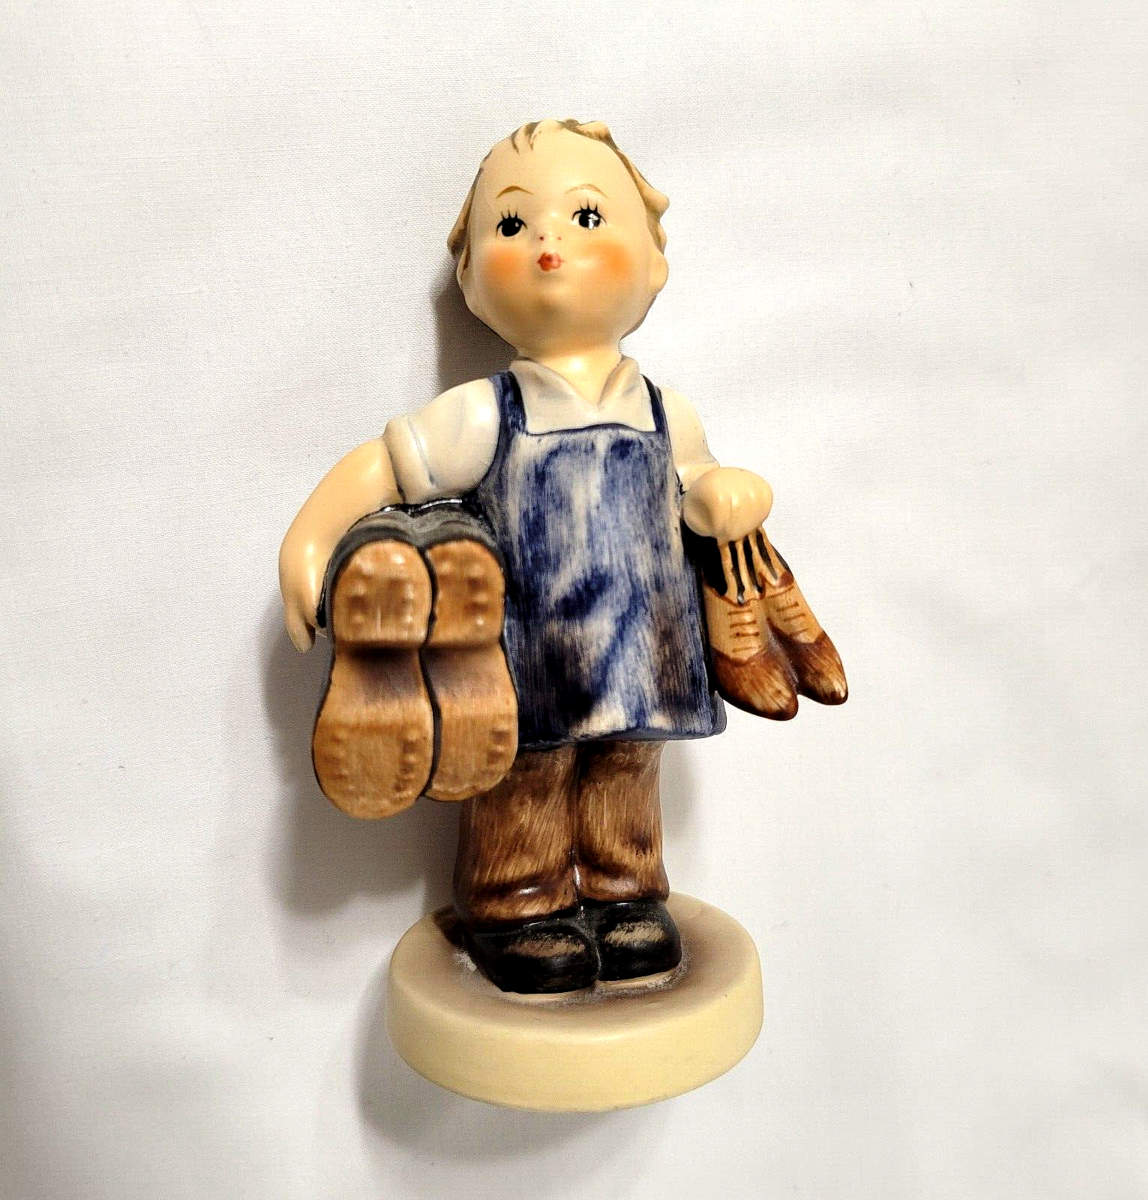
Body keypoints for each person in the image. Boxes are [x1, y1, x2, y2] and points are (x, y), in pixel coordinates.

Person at [279, 120, 778, 993]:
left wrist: (726, 492)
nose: (550, 241)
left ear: (653, 262)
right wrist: (312, 537)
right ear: (471, 280)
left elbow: (696, 487)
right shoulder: (485, 412)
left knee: (628, 768)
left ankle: (626, 893)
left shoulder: (668, 412)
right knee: (525, 776)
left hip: (644, 647)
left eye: (587, 216)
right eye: (512, 225)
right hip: (530, 653)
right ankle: (517, 901)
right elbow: (386, 466)